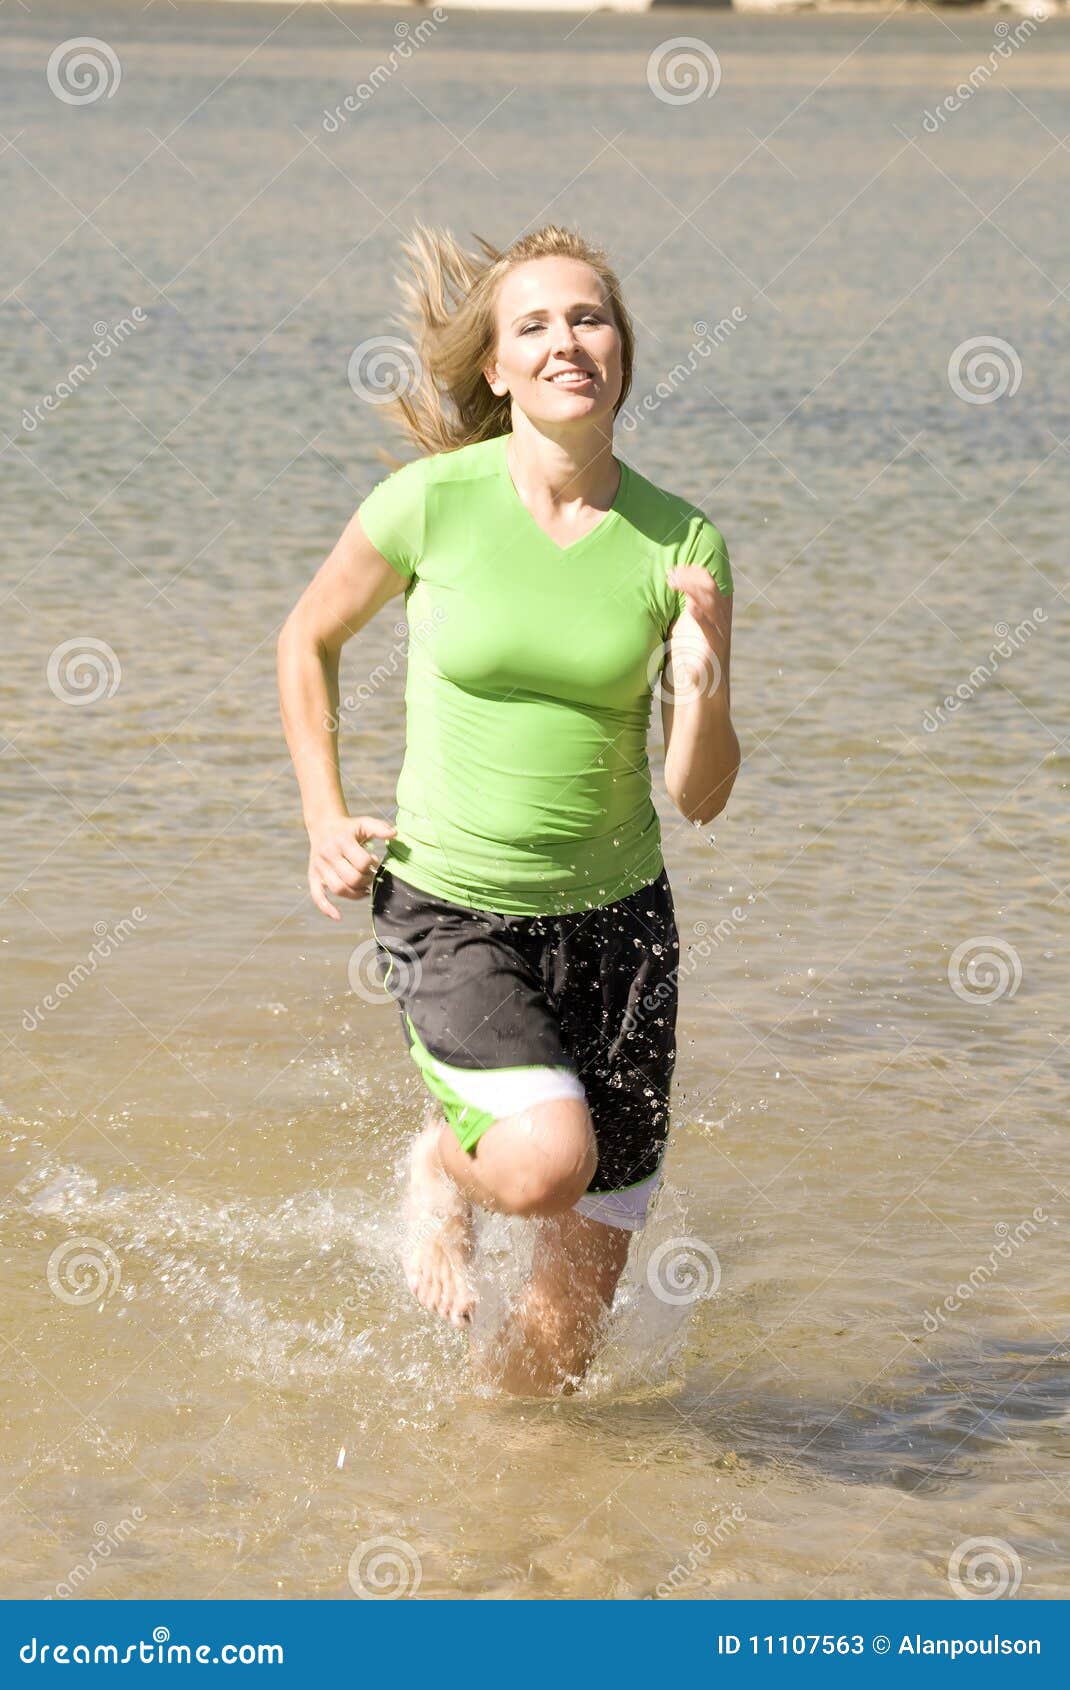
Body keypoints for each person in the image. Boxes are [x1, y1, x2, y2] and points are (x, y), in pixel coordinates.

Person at [277, 222, 739, 1397]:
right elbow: (308, 637)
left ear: (622, 353)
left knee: (566, 1336)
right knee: (540, 1165)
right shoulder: (431, 503)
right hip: (454, 908)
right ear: (494, 365)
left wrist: (702, 683)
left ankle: (507, 1514)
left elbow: (697, 796)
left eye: (588, 318)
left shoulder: (679, 543)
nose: (565, 340)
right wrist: (323, 816)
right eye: (532, 323)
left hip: (622, 927)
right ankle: (445, 1160)